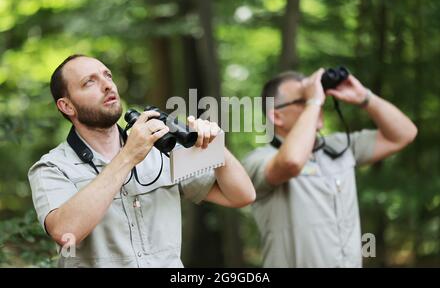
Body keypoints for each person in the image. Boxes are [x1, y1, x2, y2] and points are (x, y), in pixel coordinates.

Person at [28, 54, 256, 268]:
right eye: (89, 82)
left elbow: (241, 195)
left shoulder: (161, 149)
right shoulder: (52, 167)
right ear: (67, 106)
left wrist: (215, 147)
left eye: (107, 75)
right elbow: (66, 232)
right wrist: (129, 155)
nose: (108, 85)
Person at [243, 68, 417, 267]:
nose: (318, 103)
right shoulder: (259, 160)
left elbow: (405, 134)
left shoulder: (340, 147)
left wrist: (364, 97)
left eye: (319, 96)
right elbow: (291, 162)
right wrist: (314, 101)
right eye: (303, 100)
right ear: (277, 117)